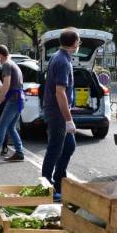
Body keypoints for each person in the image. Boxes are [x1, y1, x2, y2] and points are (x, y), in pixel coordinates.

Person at [41, 28, 79, 201]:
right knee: (54, 149)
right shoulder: (62, 61)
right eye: (79, 42)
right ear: (75, 43)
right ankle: (46, 186)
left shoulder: (60, 57)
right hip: (57, 113)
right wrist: (68, 119)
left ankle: (59, 181)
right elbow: (60, 92)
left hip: (57, 111)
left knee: (69, 146)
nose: (79, 45)